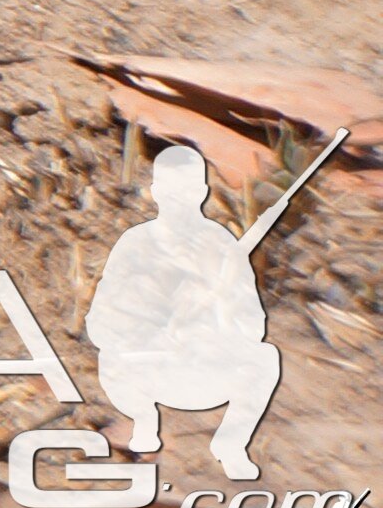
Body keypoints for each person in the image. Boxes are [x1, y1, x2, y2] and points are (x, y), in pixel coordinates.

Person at [86, 140, 282, 480]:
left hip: (202, 366)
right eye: (172, 190)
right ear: (157, 191)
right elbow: (100, 319)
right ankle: (144, 424)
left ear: (202, 191)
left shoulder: (220, 243)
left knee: (265, 359)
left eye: (188, 189)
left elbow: (253, 323)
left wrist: (217, 315)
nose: (180, 199)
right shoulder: (135, 243)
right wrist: (152, 329)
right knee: (112, 358)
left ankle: (231, 444)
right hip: (145, 367)